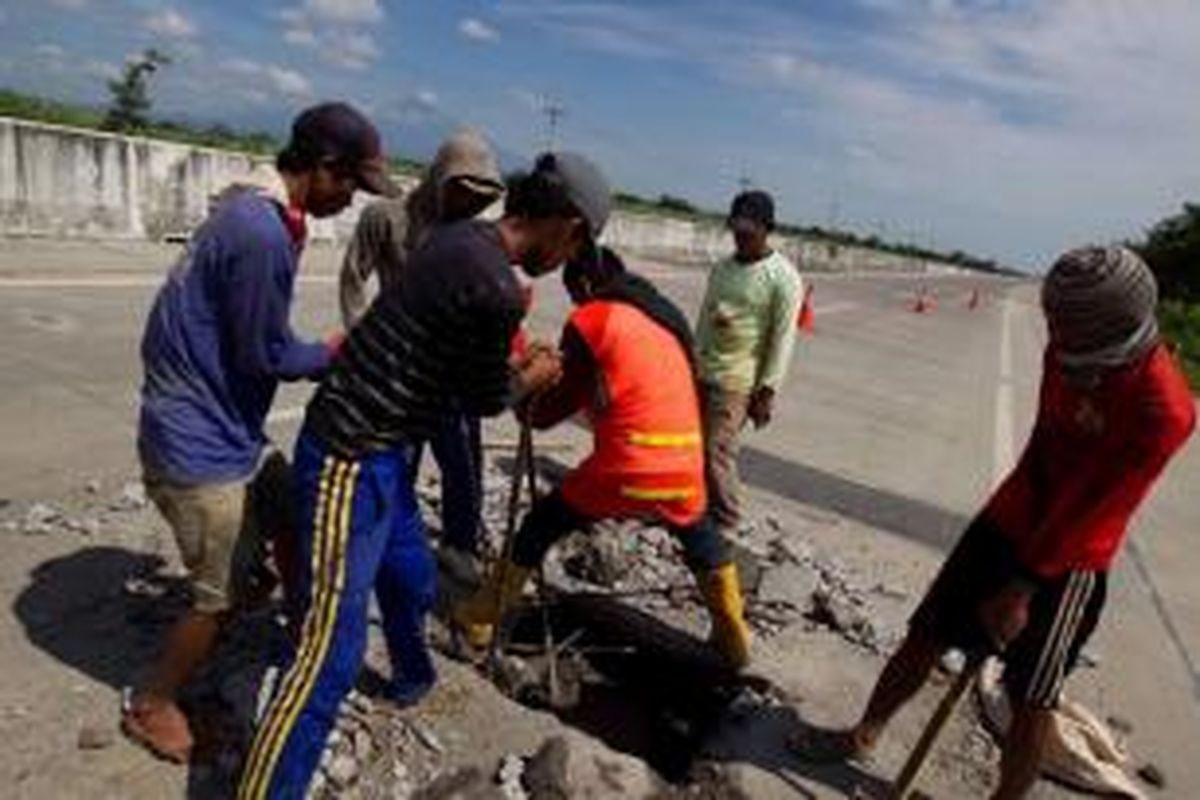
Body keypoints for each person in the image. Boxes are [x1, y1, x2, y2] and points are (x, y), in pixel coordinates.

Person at [236, 151, 611, 800]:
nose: (568, 263)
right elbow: (482, 398)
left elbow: (452, 362)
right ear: (567, 225)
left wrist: (512, 364)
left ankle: (413, 681)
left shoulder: (464, 240)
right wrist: (537, 377)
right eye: (579, 245)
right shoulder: (494, 283)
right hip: (348, 455)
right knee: (332, 656)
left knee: (410, 578)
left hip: (388, 451)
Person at [792, 246, 1195, 800]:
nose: (1060, 350)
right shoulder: (1066, 346)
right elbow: (1041, 447)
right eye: (1058, 333)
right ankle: (862, 734)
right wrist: (1003, 538)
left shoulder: (1163, 409)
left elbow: (1098, 509)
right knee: (925, 633)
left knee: (1032, 697)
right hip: (1010, 521)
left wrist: (1022, 587)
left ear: (1112, 334)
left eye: (1073, 341)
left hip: (1072, 560)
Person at [124, 102, 399, 764]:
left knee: (286, 503)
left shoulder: (259, 212)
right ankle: (153, 703)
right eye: (352, 187)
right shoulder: (261, 233)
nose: (351, 203)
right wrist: (338, 350)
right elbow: (266, 355)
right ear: (325, 169)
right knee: (215, 598)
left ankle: (299, 622)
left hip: (220, 425)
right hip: (196, 445)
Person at [453, 246, 754, 670]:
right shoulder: (666, 320)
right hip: (687, 465)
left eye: (576, 294)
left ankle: (480, 620)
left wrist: (528, 380)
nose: (577, 304)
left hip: (627, 466)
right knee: (704, 543)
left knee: (539, 527)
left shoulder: (594, 318)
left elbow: (546, 413)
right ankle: (734, 642)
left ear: (586, 285)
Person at [339, 130, 506, 585]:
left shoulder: (471, 236)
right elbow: (354, 277)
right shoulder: (386, 219)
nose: (473, 206)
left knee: (462, 463)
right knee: (398, 460)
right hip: (396, 369)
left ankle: (459, 545)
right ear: (439, 178)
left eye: (482, 199)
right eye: (465, 193)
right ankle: (387, 542)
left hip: (449, 371)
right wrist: (359, 341)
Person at [695, 189, 803, 533]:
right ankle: (695, 513)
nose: (740, 237)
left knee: (717, 452)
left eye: (748, 232)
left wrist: (767, 391)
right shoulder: (722, 269)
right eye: (736, 230)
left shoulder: (783, 278)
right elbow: (704, 319)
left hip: (737, 382)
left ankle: (726, 523)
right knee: (692, 447)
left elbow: (782, 338)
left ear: (766, 229)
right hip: (702, 371)